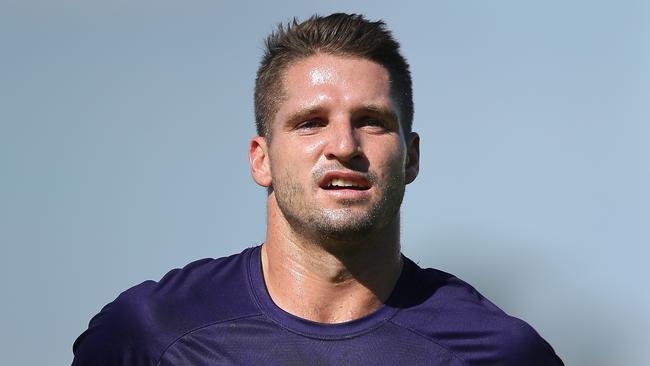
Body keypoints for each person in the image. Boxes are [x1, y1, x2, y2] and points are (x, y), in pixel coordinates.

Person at [72, 13, 564, 365]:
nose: (344, 145)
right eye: (311, 122)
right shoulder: (151, 333)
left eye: (371, 122)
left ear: (411, 156)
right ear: (260, 159)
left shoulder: (498, 351)